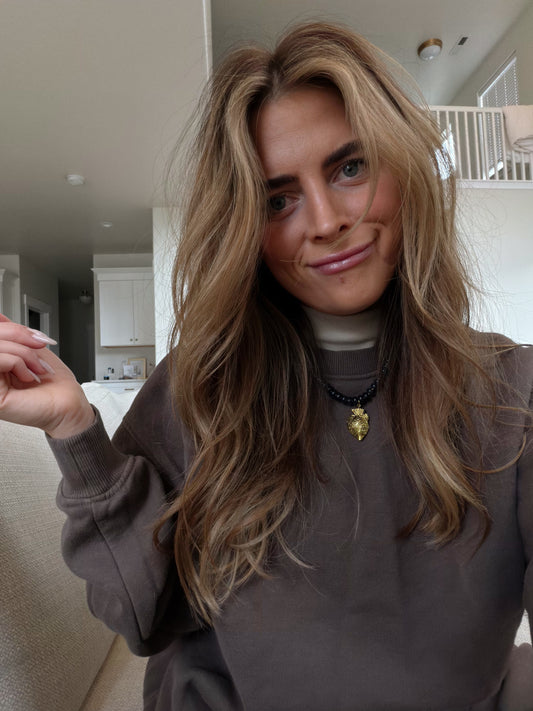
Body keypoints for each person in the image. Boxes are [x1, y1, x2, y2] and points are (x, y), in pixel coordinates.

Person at [0, 21, 531, 711]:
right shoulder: (200, 388)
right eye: (278, 199)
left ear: (402, 169)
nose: (326, 221)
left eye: (349, 167)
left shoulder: (512, 390)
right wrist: (74, 429)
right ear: (246, 231)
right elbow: (140, 617)